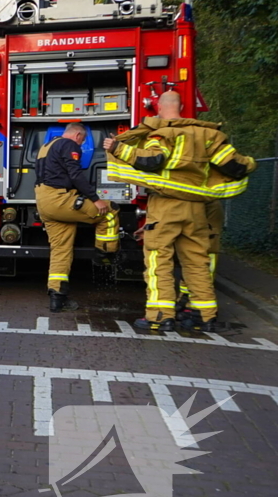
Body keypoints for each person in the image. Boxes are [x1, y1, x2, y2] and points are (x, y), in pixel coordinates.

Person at [104, 91, 255, 332]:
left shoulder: (161, 134)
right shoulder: (209, 135)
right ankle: (204, 316)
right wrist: (251, 163)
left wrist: (119, 148)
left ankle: (160, 316)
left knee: (158, 260)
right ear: (183, 106)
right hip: (198, 208)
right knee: (197, 261)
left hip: (166, 205)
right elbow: (235, 166)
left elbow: (153, 161)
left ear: (158, 107)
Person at [34, 123, 119, 312]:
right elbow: (75, 174)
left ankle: (57, 298)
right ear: (78, 135)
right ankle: (104, 255)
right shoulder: (69, 144)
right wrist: (96, 199)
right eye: (82, 141)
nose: (81, 145)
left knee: (60, 250)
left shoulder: (46, 147)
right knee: (110, 212)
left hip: (44, 202)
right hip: (60, 199)